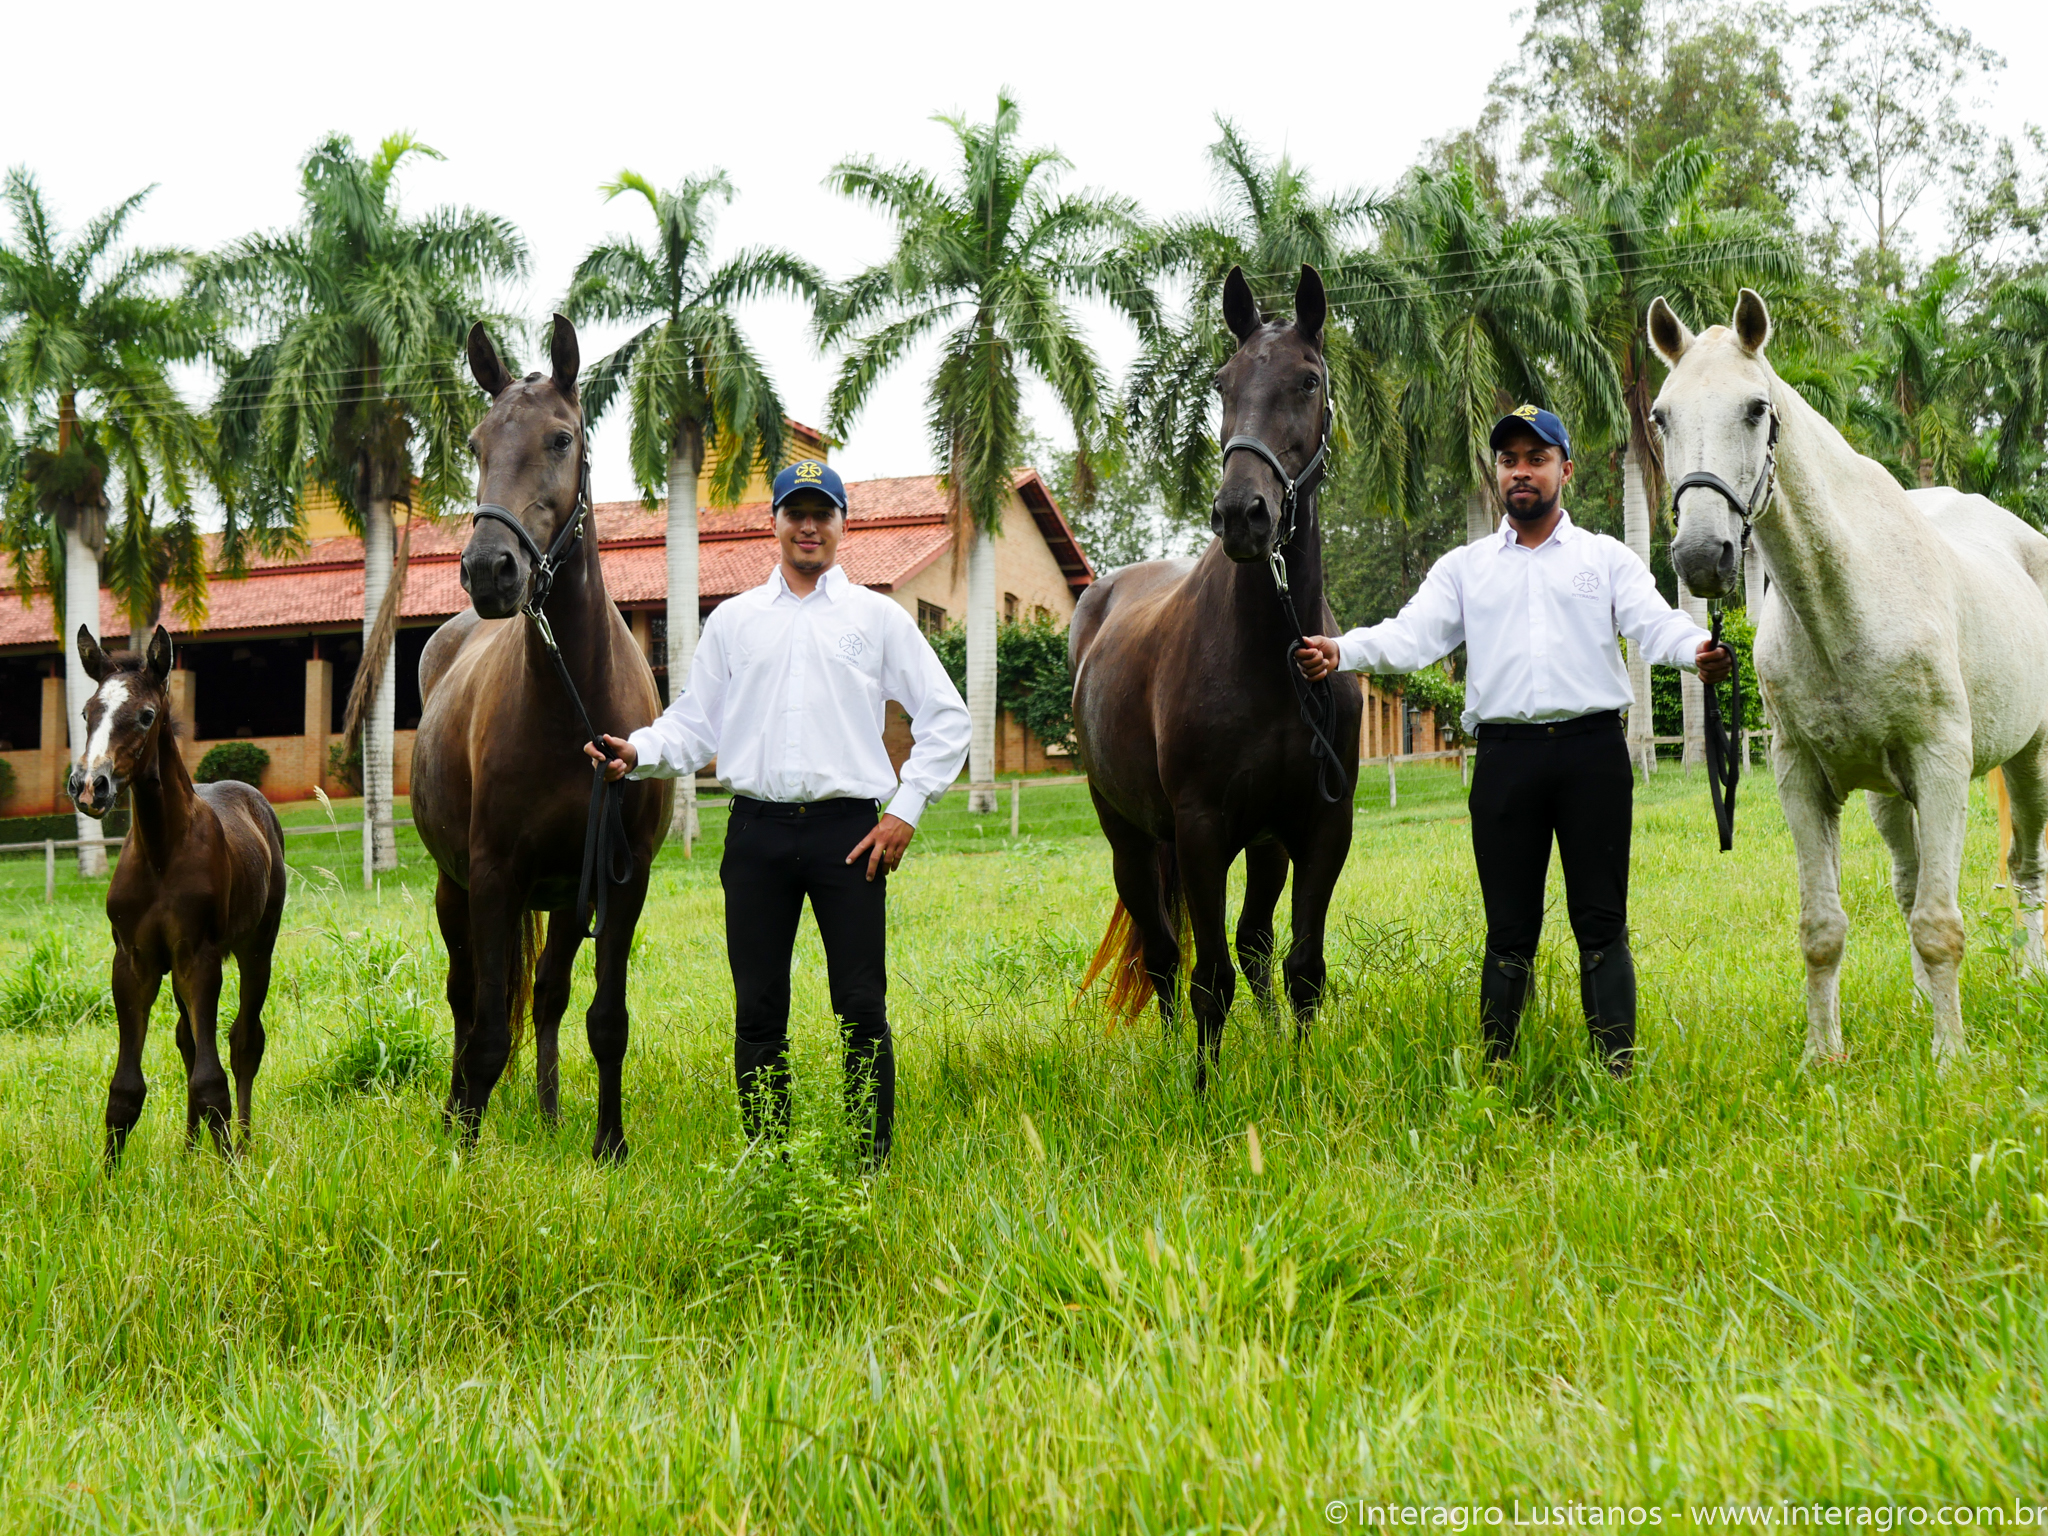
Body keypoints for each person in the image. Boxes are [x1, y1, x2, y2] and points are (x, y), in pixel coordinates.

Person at [1294, 406, 1733, 1074]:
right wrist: (1341, 649)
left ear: (1565, 470)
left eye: (1535, 458)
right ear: (1497, 473)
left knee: (1601, 923)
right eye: (1508, 460)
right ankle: (1498, 1067)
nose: (1520, 472)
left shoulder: (1604, 558)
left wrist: (1697, 648)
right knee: (1508, 931)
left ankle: (1614, 1067)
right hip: (1506, 762)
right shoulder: (1465, 569)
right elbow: (1412, 637)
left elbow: (1654, 623)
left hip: (1592, 758)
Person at [587, 460, 970, 1164]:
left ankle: (869, 1160)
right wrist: (637, 751)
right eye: (796, 512)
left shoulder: (877, 619)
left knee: (861, 1009)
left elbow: (947, 718)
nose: (808, 525)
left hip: (849, 836)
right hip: (756, 835)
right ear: (775, 522)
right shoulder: (734, 622)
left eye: (822, 513)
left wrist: (905, 810)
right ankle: (771, 1160)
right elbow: (695, 726)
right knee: (759, 1013)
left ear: (841, 524)